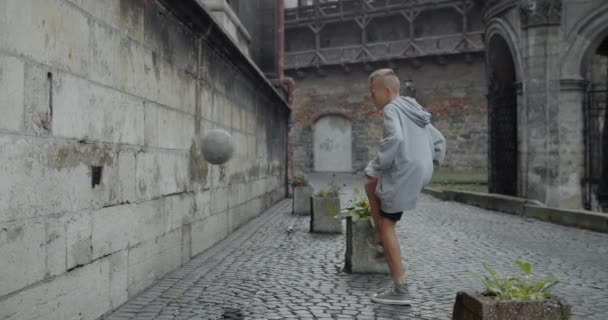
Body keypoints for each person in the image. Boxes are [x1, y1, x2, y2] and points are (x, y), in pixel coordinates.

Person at [364, 68, 438, 305]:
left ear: (386, 91)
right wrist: (429, 162)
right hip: (420, 170)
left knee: (386, 225)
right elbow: (439, 141)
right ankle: (379, 236)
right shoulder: (413, 108)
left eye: (372, 92)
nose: (371, 98)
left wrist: (375, 166)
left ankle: (400, 288)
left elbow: (394, 139)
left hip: (404, 172)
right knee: (371, 187)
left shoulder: (392, 109)